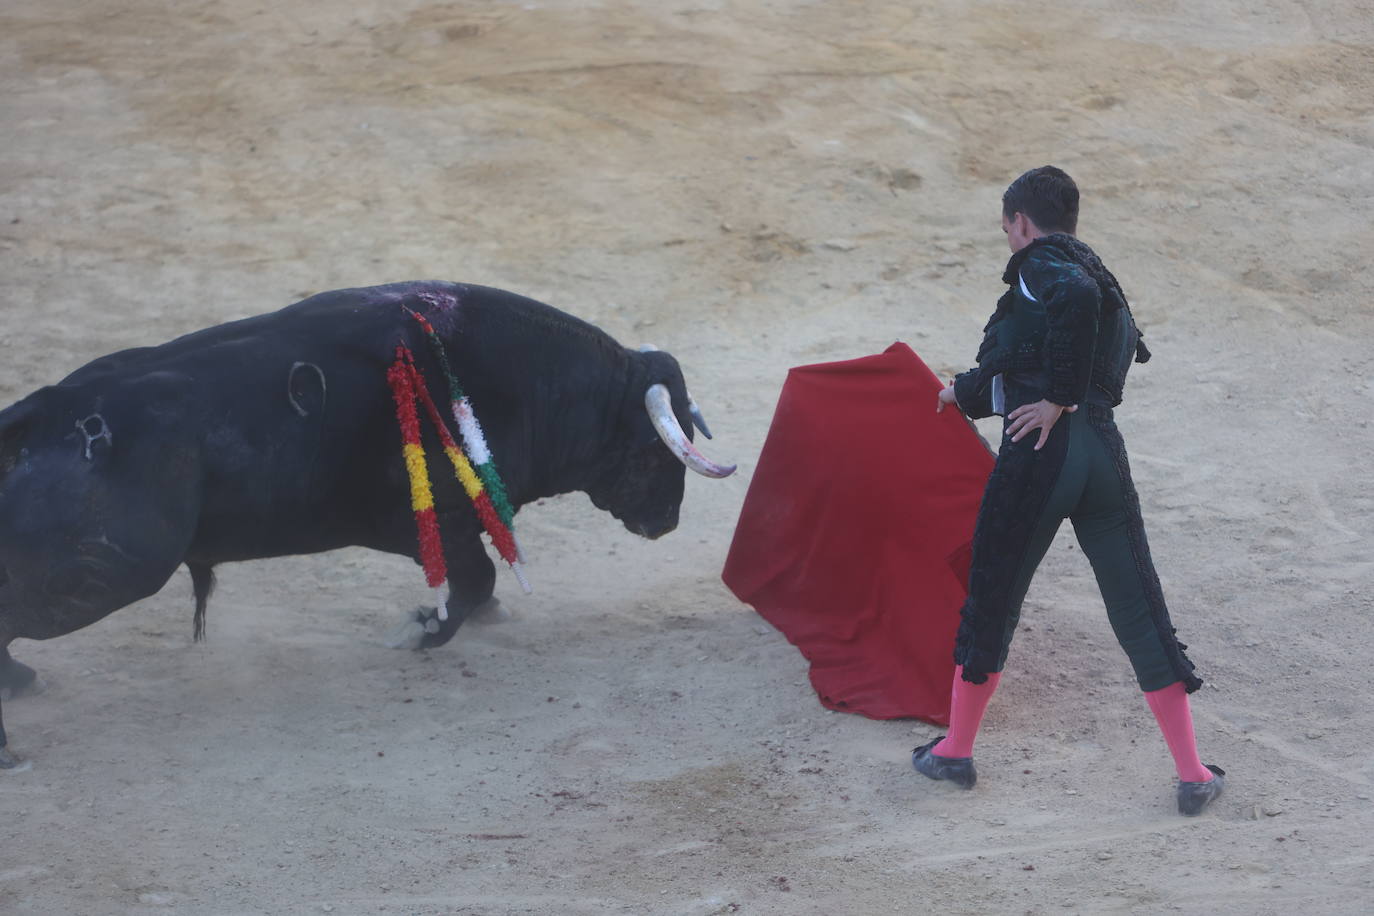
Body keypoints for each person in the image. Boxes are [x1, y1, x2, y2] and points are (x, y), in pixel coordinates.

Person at [911, 166, 1224, 816]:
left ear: (1020, 224)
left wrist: (1054, 398)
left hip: (1040, 457)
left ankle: (954, 754)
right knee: (1139, 608)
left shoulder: (1044, 267)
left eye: (1007, 231)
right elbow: (1041, 355)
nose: (1009, 243)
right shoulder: (1105, 277)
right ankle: (1193, 773)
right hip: (1102, 455)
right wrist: (964, 393)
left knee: (993, 596)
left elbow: (1066, 312)